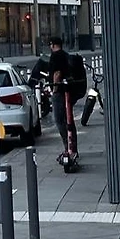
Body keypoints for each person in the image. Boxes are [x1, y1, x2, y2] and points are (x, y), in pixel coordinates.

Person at [47, 36, 79, 165]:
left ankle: (67, 147)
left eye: (50, 44)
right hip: (68, 92)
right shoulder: (66, 55)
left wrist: (54, 89)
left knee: (60, 120)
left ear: (53, 45)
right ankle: (73, 148)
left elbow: (57, 73)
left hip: (60, 92)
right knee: (69, 120)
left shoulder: (55, 56)